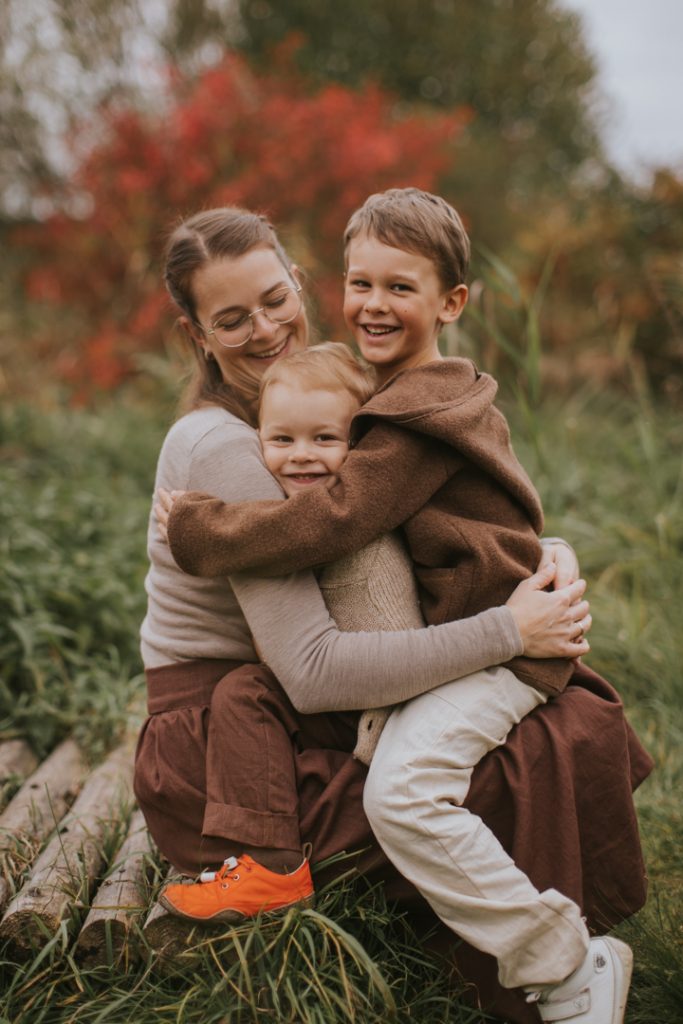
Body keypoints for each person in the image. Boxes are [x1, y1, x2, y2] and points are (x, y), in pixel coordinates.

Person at [134, 204, 651, 1024]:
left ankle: (565, 960)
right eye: (231, 319)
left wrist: (542, 553)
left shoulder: (321, 401)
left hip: (292, 707)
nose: (266, 329)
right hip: (237, 750)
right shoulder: (229, 447)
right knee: (474, 776)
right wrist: (510, 630)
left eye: (274, 299)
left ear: (300, 285)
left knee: (550, 731)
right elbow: (311, 668)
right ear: (196, 333)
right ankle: (559, 967)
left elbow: (422, 507)